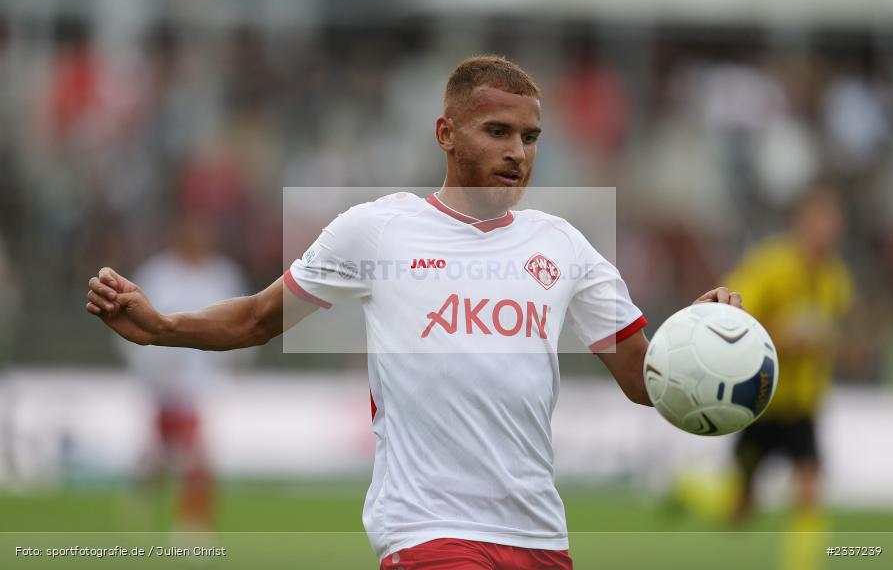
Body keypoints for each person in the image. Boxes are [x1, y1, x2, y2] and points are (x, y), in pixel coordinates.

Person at [87, 55, 742, 569]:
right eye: (499, 131)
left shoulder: (564, 246)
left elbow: (641, 377)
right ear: (446, 134)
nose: (519, 151)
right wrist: (163, 328)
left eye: (531, 136)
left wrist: (702, 340)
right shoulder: (377, 231)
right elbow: (260, 318)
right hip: (428, 532)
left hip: (539, 533)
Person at [725, 184, 852, 569]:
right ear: (800, 222)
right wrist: (783, 337)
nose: (828, 229)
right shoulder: (770, 265)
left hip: (802, 405)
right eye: (820, 219)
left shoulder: (837, 280)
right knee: (739, 510)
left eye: (833, 221)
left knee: (810, 488)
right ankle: (686, 491)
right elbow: (733, 316)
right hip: (761, 401)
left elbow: (833, 336)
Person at [119, 211, 248, 532]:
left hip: (200, 385)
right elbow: (131, 322)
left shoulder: (222, 275)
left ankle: (191, 521)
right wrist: (148, 364)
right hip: (161, 384)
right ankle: (142, 505)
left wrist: (234, 363)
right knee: (160, 454)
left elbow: (244, 318)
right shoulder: (157, 274)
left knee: (196, 454)